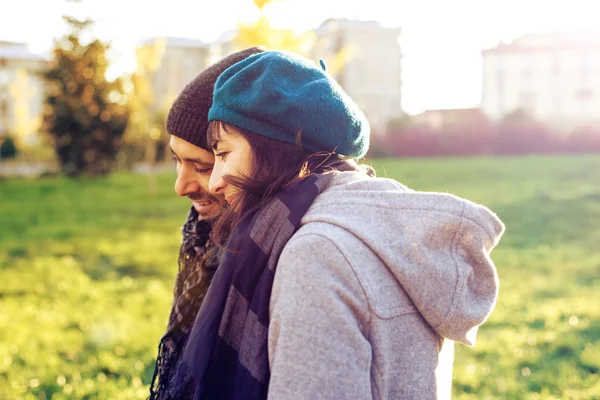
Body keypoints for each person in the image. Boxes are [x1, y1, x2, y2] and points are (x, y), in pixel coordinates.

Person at [174, 51, 505, 400]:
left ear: (272, 149)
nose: (215, 182)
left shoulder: (316, 255)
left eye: (223, 154)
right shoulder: (382, 228)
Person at [148, 46, 266, 400]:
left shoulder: (282, 259)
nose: (180, 186)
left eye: (201, 166)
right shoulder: (204, 239)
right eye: (176, 161)